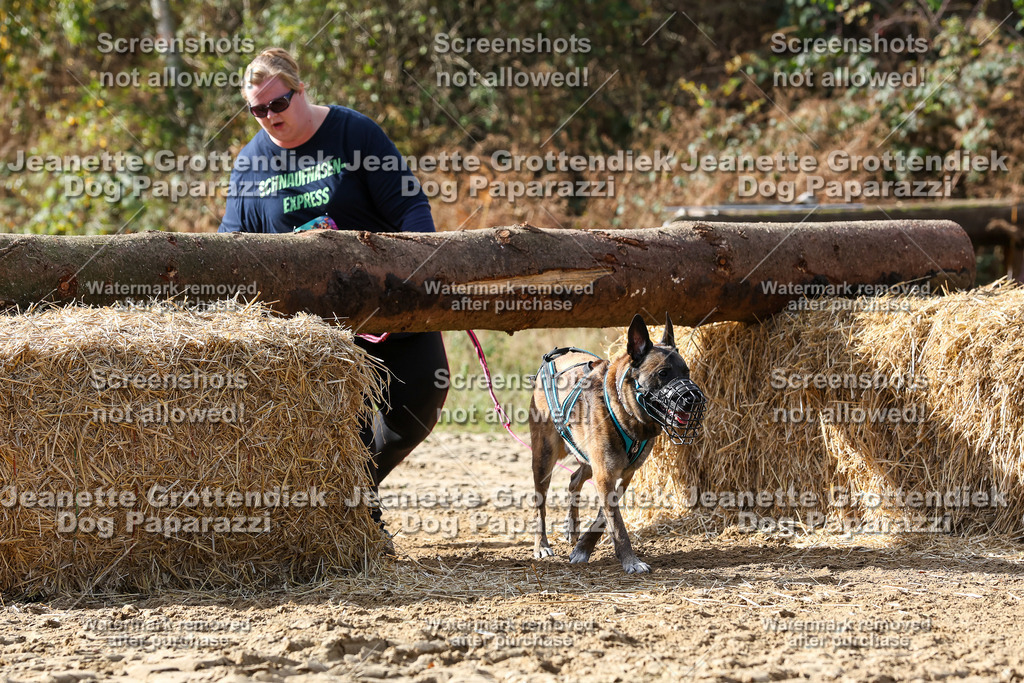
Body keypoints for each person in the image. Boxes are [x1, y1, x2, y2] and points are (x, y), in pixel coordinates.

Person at [218, 47, 449, 538]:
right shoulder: (250, 165)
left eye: (278, 104)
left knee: (422, 400)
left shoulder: (353, 133)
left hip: (389, 307)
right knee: (341, 425)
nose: (269, 117)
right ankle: (350, 516)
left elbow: (411, 209)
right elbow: (234, 247)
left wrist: (420, 275)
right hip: (314, 331)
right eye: (257, 110)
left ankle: (350, 498)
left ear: (302, 90)